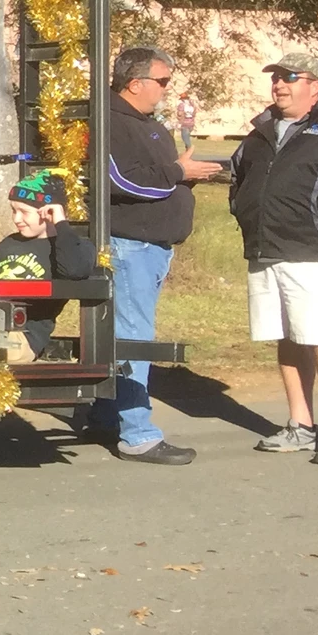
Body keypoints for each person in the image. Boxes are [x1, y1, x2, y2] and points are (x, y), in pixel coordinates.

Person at [101, 45, 218, 465]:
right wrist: (178, 173)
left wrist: (185, 176)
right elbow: (120, 182)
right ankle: (137, 434)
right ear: (135, 84)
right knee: (135, 338)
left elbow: (160, 179)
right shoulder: (111, 121)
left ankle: (106, 412)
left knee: (126, 335)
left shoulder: (148, 125)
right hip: (131, 245)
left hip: (154, 246)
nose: (168, 90)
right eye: (163, 82)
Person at [229, 56, 318, 464]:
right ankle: (301, 425)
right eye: (276, 77)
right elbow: (240, 178)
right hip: (265, 248)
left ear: (315, 85)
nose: (279, 85)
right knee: (288, 336)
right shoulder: (258, 132)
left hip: (315, 252)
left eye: (290, 77)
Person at [0, 168, 98, 362]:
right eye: (13, 211)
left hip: (23, 336)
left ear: (49, 211)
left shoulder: (74, 247)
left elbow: (74, 269)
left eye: (24, 212)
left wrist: (60, 223)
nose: (16, 219)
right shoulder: (9, 244)